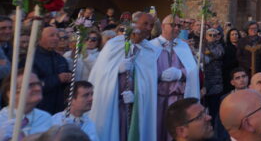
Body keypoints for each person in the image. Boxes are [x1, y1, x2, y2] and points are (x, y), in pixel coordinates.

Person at [89, 12, 161, 141]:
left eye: (151, 25)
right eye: (145, 24)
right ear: (134, 24)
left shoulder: (150, 50)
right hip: (114, 106)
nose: (149, 28)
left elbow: (149, 83)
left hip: (135, 106)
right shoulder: (114, 45)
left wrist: (137, 96)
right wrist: (117, 69)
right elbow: (99, 75)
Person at [150, 15, 201, 141]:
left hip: (178, 100)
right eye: (173, 25)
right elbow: (144, 72)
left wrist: (180, 73)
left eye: (179, 25)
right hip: (158, 101)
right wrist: (159, 75)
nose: (177, 28)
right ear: (163, 26)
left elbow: (193, 69)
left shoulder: (183, 47)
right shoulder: (151, 46)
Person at [33, 26, 72, 114]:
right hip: (39, 109)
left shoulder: (61, 59)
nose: (56, 38)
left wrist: (68, 77)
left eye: (57, 36)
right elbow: (32, 85)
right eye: (51, 35)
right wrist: (57, 79)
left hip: (58, 110)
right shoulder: (31, 58)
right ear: (40, 38)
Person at [0, 72, 52, 138]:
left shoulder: (45, 118)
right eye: (30, 85)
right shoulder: (1, 120)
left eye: (39, 84)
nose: (38, 88)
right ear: (10, 93)